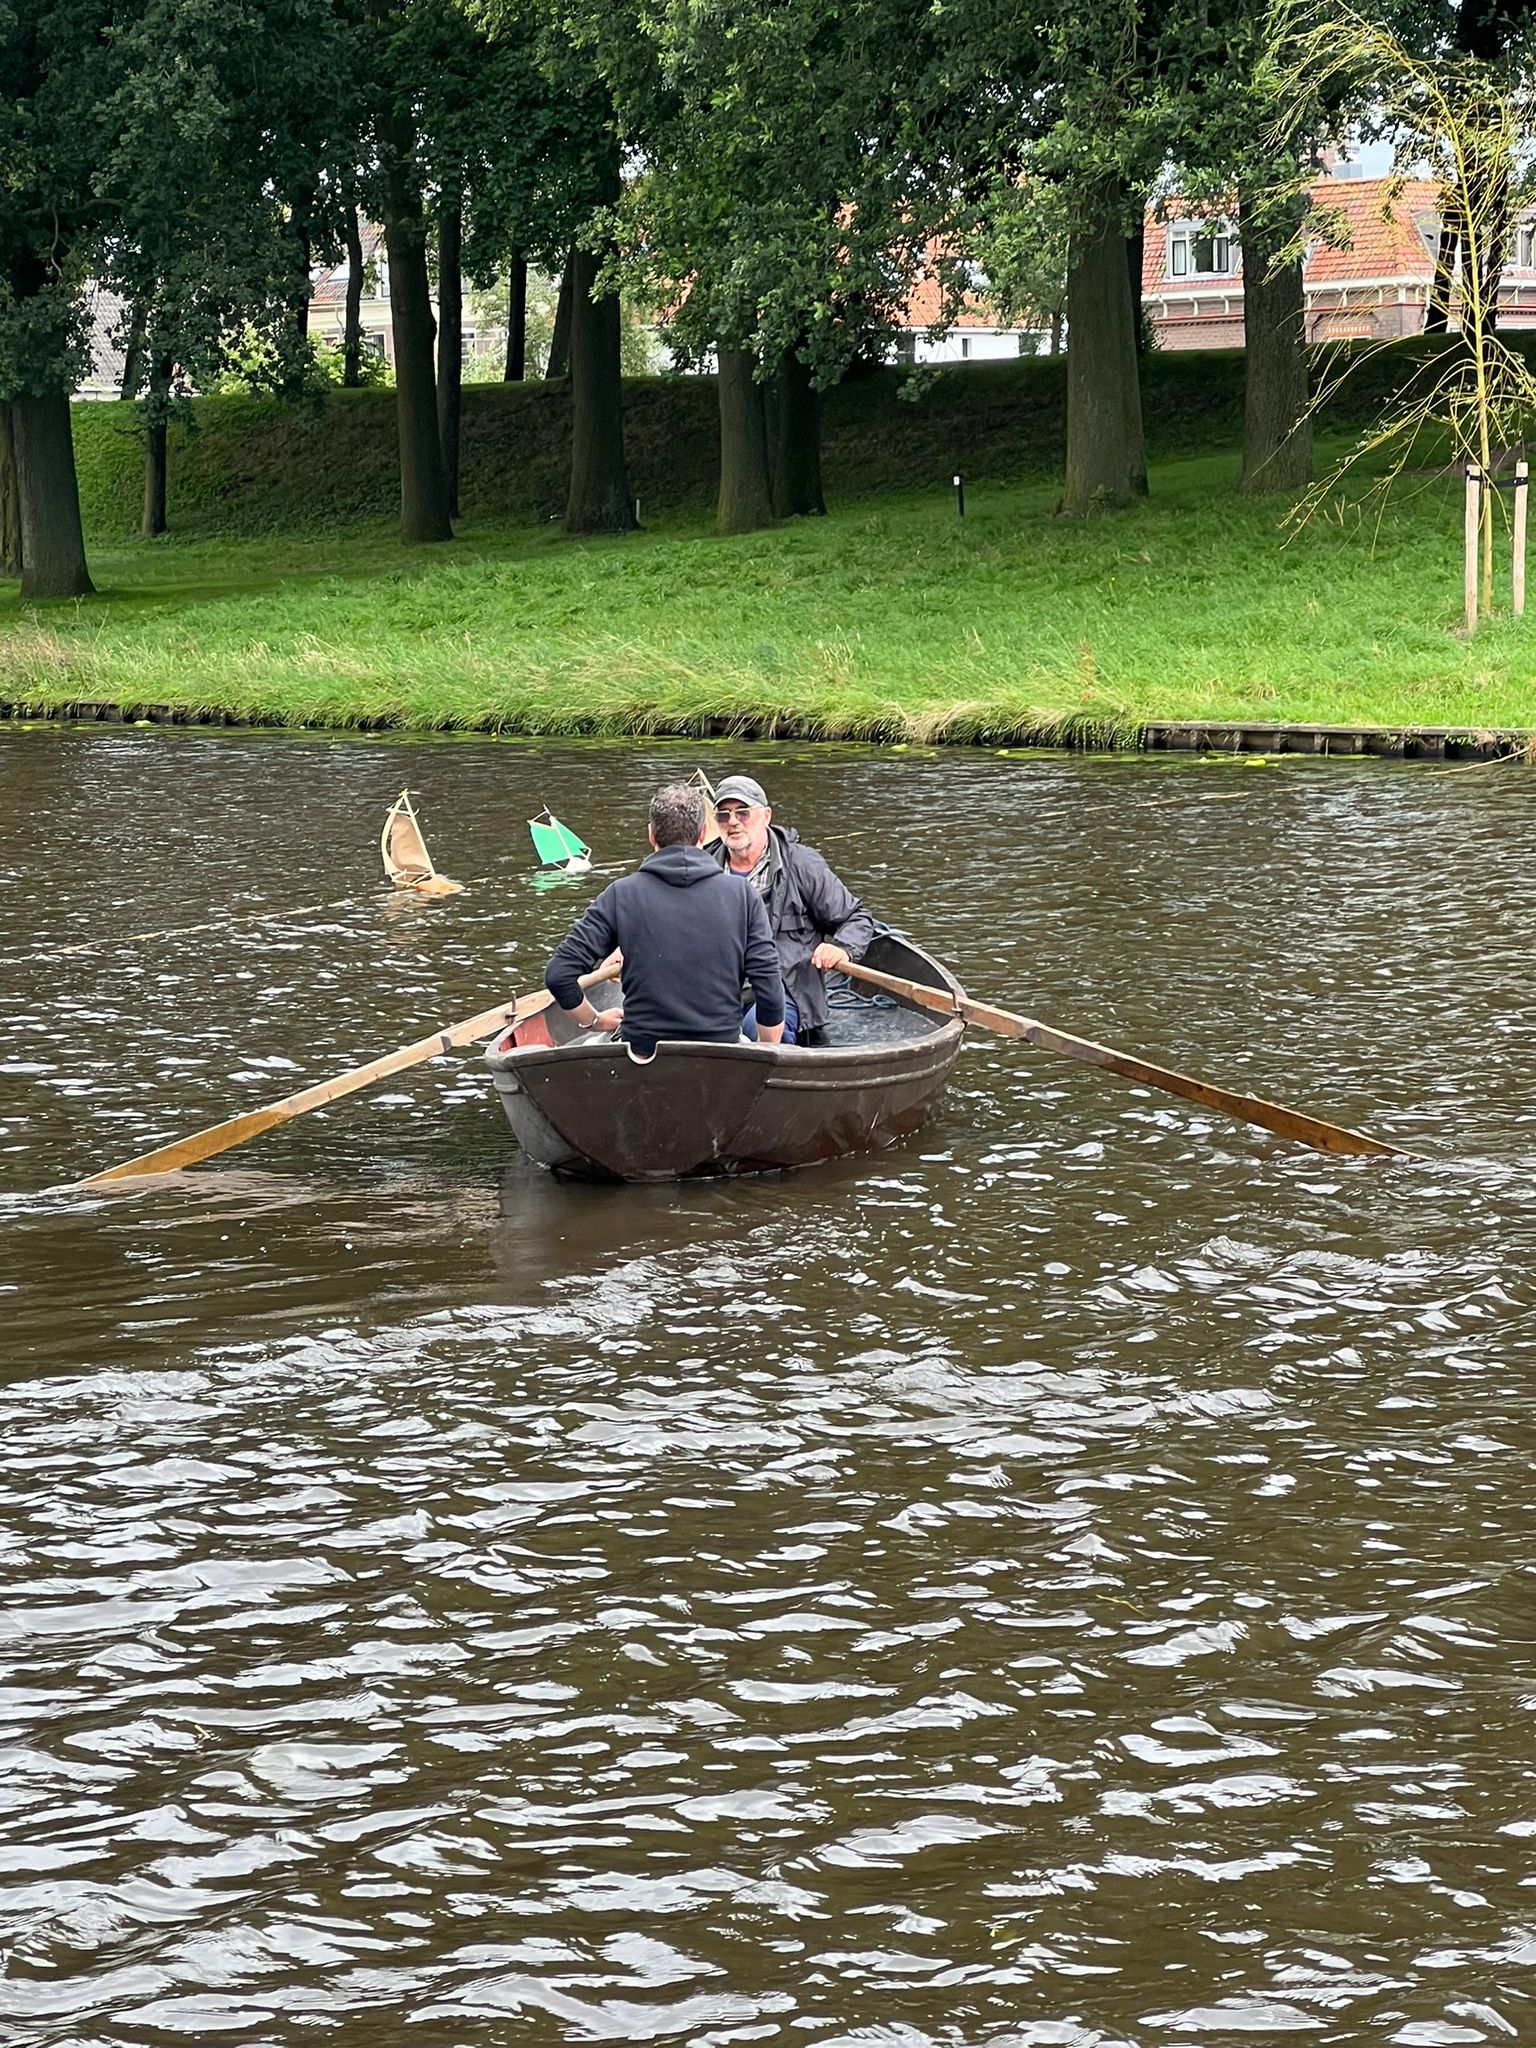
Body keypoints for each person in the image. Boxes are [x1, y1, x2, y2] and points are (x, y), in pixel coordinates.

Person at [545, 782, 785, 1056]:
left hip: (642, 1055)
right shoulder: (743, 896)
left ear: (651, 835)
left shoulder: (621, 895)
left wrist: (594, 1022)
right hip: (722, 1056)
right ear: (704, 833)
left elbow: (559, 975)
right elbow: (769, 989)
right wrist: (765, 1052)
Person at [707, 774, 876, 1046]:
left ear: (766, 816)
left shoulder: (802, 864)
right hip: (712, 989)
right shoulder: (700, 867)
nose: (733, 822)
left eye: (743, 812)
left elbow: (856, 918)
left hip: (782, 988)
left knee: (765, 1029)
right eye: (724, 815)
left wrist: (842, 948)